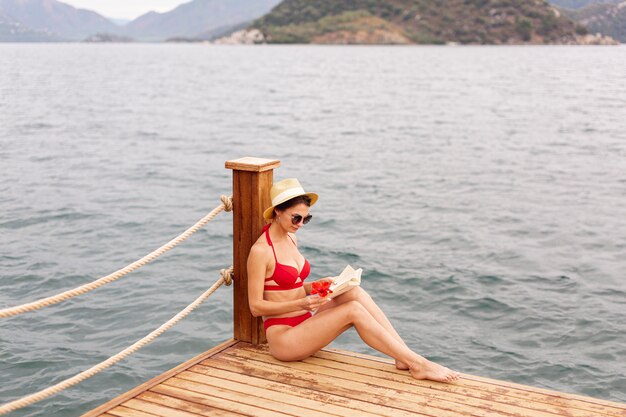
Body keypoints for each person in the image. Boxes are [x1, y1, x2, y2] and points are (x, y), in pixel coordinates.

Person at [246, 178, 460, 382]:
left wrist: (317, 285)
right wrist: (301, 303)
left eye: (306, 219)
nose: (301, 224)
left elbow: (288, 286)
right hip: (285, 339)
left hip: (305, 324)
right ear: (277, 211)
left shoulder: (291, 237)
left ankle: (403, 356)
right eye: (296, 218)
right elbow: (256, 307)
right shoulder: (261, 251)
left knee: (353, 292)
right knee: (353, 310)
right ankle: (418, 364)